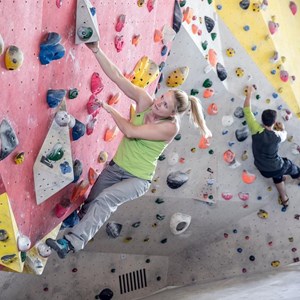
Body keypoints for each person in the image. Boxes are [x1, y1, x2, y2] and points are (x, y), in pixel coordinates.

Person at [46, 41, 212, 258]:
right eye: (162, 97)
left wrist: (110, 109)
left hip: (137, 179)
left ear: (172, 114)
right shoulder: (146, 101)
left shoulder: (170, 127)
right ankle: (73, 228)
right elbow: (117, 77)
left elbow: (131, 131)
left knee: (106, 200)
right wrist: (96, 49)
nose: (158, 103)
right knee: (90, 205)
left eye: (164, 105)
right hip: (116, 168)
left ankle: (70, 244)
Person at [243, 85, 300, 209]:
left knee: (278, 176)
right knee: (291, 166)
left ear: (262, 121)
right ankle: (298, 177)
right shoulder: (278, 136)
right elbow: (284, 133)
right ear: (274, 123)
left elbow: (247, 109)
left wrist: (249, 93)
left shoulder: (255, 128)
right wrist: (283, 128)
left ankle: (284, 199)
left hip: (262, 168)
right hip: (276, 166)